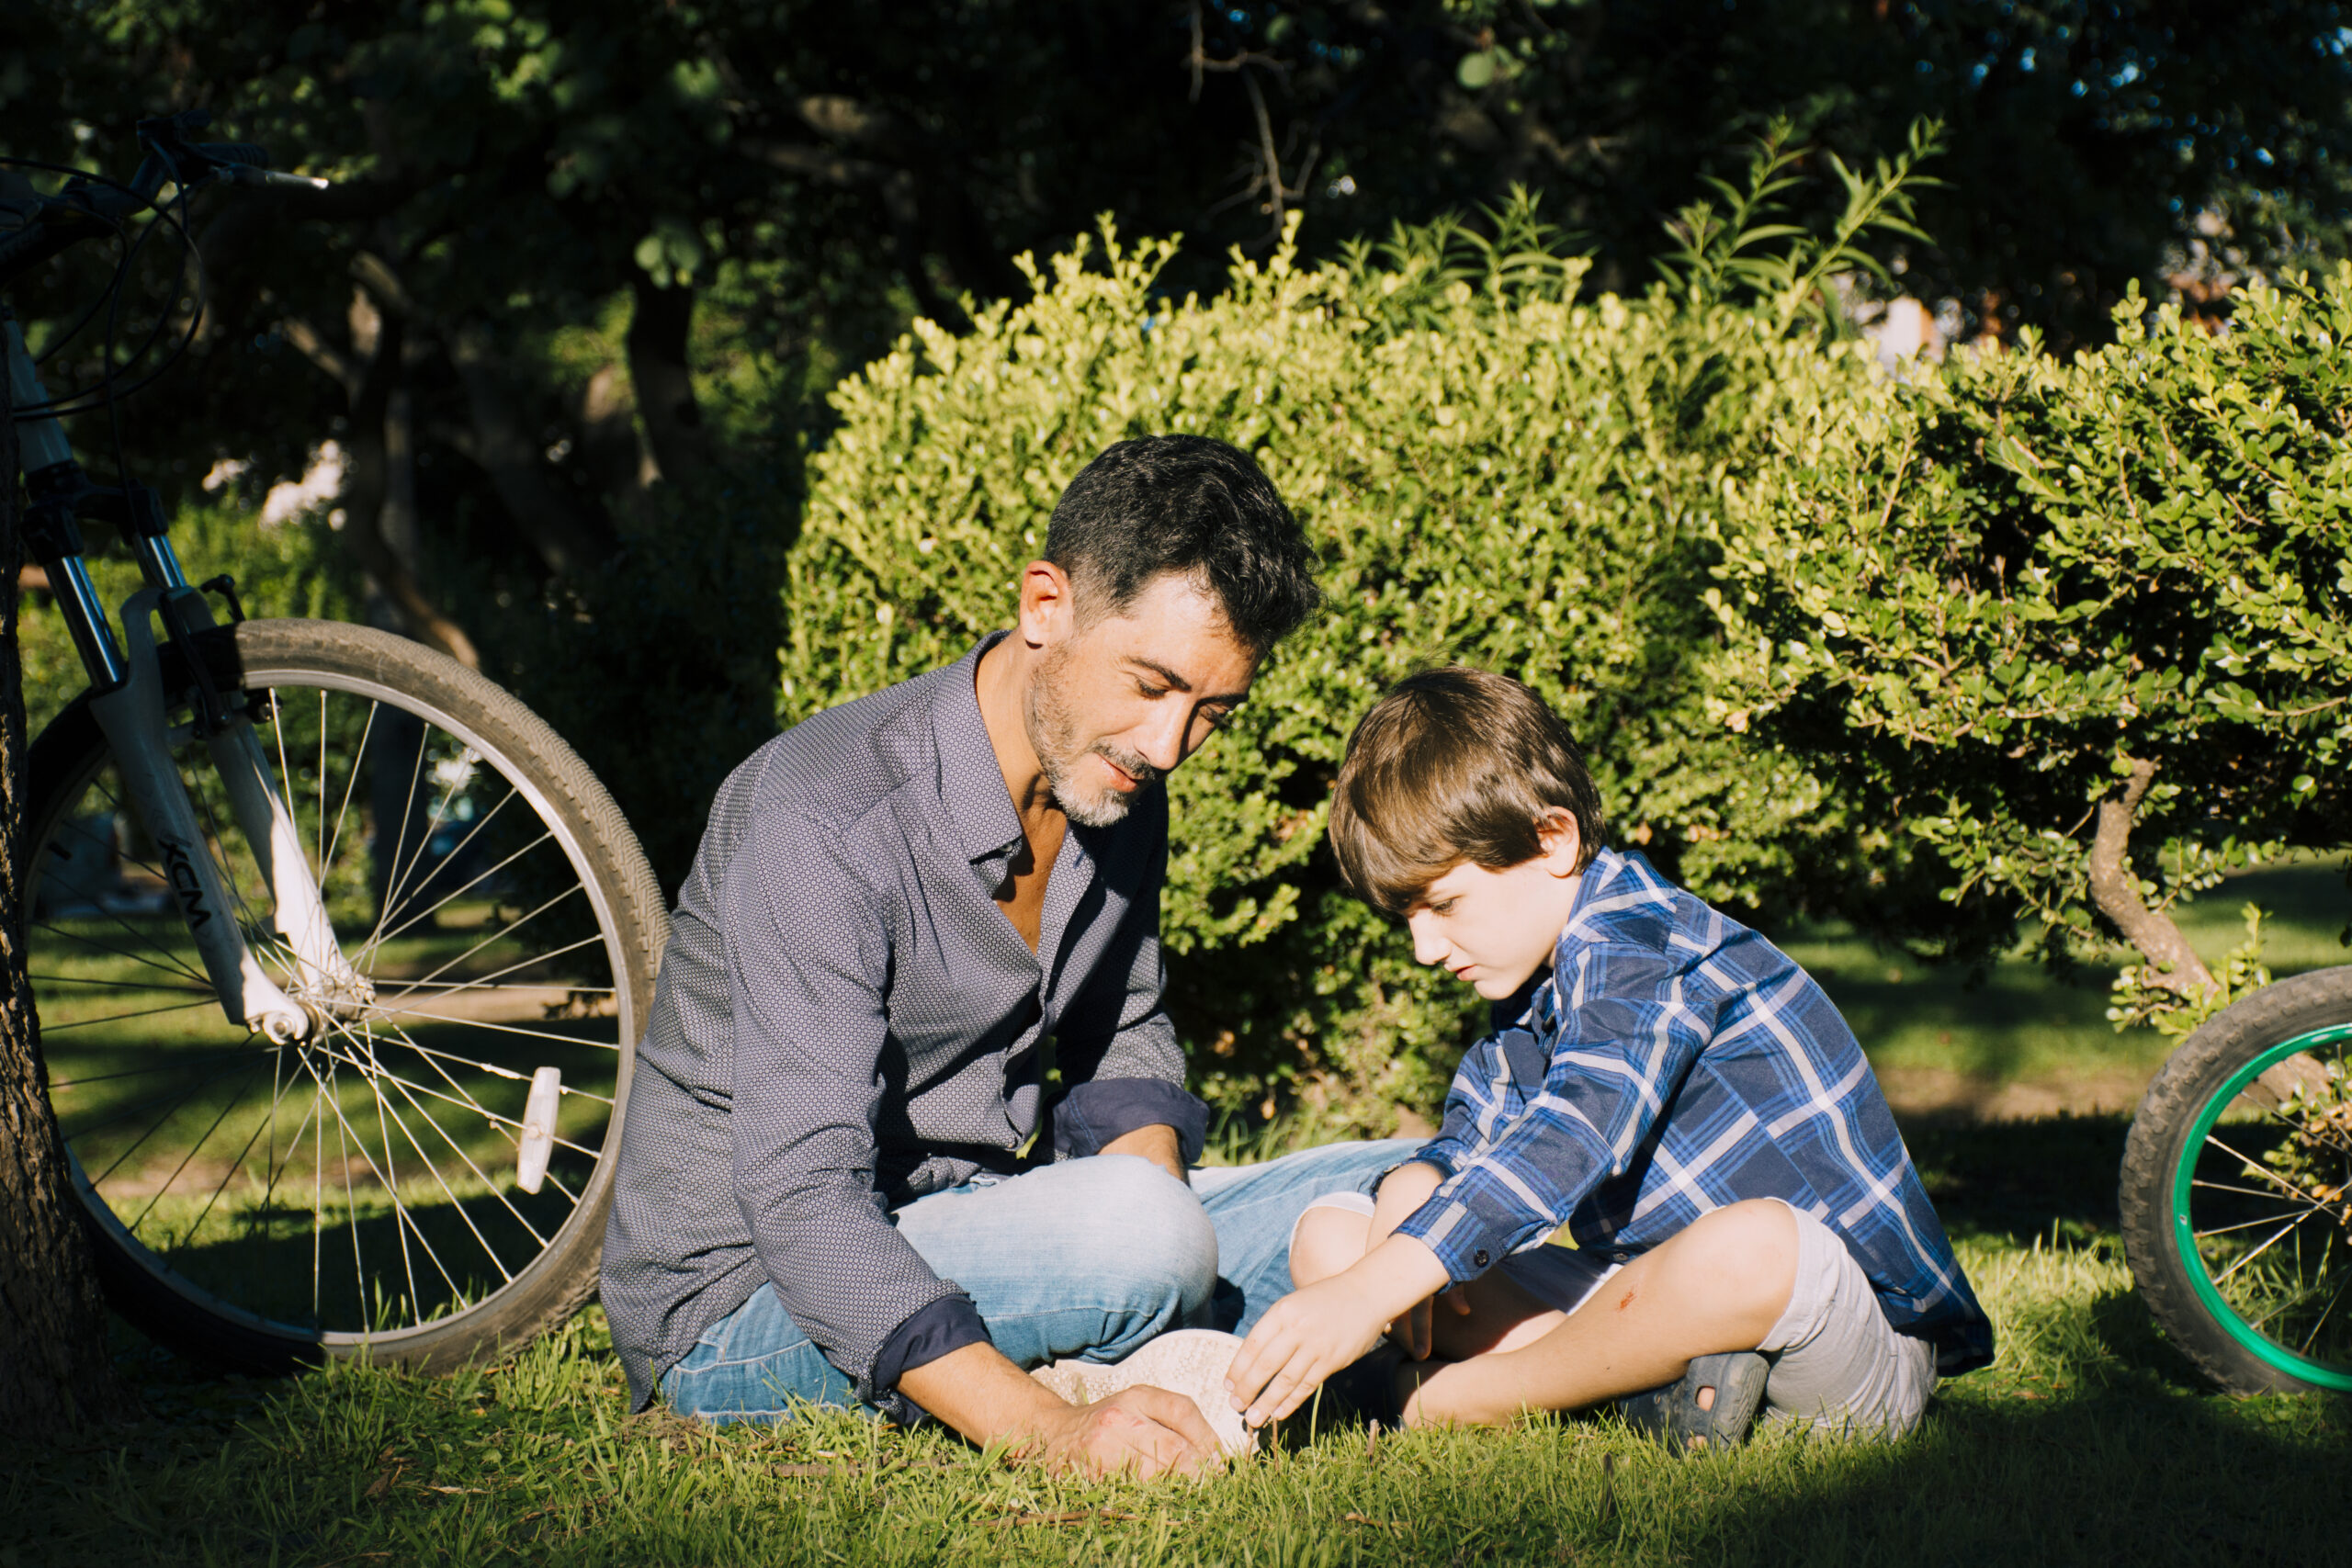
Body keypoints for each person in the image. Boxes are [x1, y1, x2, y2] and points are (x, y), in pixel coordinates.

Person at [599, 434, 1414, 1478]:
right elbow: (801, 1199)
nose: (1167, 746)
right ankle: (1147, 1355)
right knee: (1150, 1238)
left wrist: (1157, 1228)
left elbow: (1123, 1030)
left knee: (1393, 1187)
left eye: (1211, 712)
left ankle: (1163, 1335)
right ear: (1045, 607)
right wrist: (1054, 1429)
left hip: (982, 1229)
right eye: (1152, 684)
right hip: (744, 1301)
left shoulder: (1111, 781)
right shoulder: (821, 815)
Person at [1225, 667, 1993, 1450]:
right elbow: (1468, 1139)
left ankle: (1437, 1399)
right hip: (1657, 1312)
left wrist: (1373, 1291)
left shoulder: (1642, 947)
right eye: (1406, 916)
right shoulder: (1530, 993)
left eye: (1444, 903)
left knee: (1753, 1247)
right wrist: (1410, 1195)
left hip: (1838, 1337)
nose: (1424, 947)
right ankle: (1646, 1398)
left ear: (1551, 839)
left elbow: (1574, 1134)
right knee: (1335, 1233)